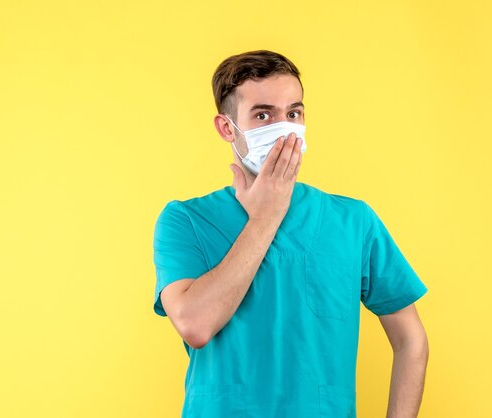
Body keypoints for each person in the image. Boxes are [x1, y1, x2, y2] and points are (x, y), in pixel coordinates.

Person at [152, 50, 429, 418]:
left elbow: (410, 339)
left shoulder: (352, 220)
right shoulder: (186, 219)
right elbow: (195, 325)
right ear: (226, 128)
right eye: (263, 115)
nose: (284, 128)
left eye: (294, 113)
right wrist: (266, 217)